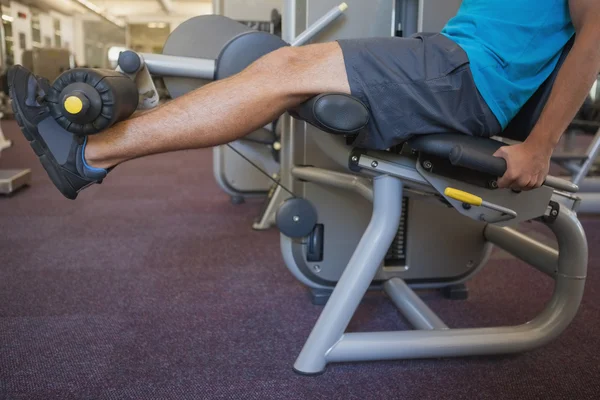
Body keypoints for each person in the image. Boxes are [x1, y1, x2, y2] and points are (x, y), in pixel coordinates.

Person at [8, 0, 600, 200]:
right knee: (282, 67)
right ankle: (89, 156)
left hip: (468, 76)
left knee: (285, 67)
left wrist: (541, 147)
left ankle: (88, 155)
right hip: (448, 55)